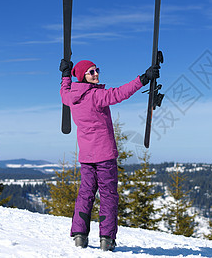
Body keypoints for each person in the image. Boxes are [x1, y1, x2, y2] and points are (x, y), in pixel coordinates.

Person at [59, 58, 159, 251]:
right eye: (91, 72)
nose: (96, 74)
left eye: (97, 70)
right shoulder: (96, 96)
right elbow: (120, 93)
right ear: (83, 77)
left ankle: (79, 236)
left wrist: (64, 76)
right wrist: (144, 78)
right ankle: (107, 239)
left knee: (86, 194)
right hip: (105, 156)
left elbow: (63, 91)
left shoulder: (71, 97)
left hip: (86, 157)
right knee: (108, 196)